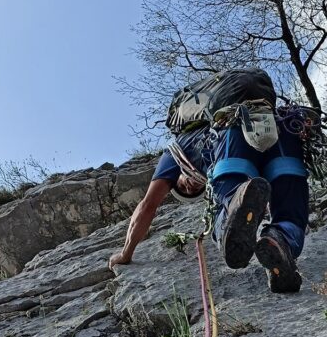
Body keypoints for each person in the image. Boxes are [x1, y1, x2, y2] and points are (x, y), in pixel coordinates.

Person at [108, 73, 310, 293]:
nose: (192, 187)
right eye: (194, 190)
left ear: (176, 178)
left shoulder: (175, 152)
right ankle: (280, 241)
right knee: (289, 197)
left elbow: (148, 205)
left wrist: (125, 253)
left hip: (233, 130)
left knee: (228, 194)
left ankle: (232, 212)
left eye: (182, 186)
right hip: (280, 129)